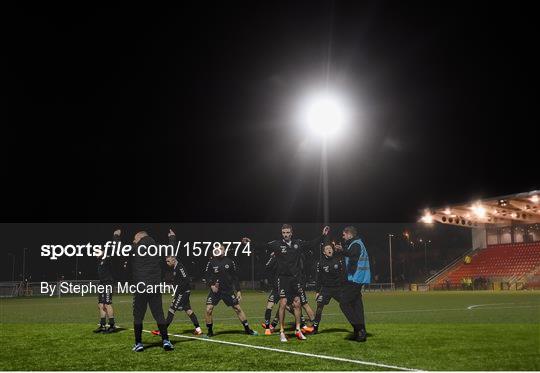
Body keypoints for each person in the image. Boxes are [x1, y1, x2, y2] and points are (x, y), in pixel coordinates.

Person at [244, 224, 329, 342]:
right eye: (284, 232)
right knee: (283, 303)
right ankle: (282, 332)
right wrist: (250, 242)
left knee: (297, 303)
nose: (286, 235)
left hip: (296, 279)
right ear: (282, 233)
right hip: (283, 279)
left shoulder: (298, 244)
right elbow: (263, 246)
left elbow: (311, 243)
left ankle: (298, 330)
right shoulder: (277, 244)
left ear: (291, 233)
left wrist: (323, 236)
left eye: (288, 232)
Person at [128, 230, 173, 352]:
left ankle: (138, 343)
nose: (133, 241)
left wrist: (115, 236)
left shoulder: (135, 248)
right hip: (155, 287)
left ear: (140, 237)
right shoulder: (158, 248)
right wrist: (172, 237)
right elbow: (171, 250)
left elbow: (116, 248)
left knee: (138, 316)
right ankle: (166, 341)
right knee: (159, 315)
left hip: (141, 288)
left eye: (135, 239)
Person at [151, 229, 203, 336]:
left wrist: (178, 290)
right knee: (188, 310)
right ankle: (198, 329)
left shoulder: (180, 267)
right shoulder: (175, 267)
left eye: (168, 261)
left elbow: (186, 280)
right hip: (182, 292)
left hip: (183, 292)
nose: (167, 263)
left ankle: (162, 331)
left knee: (171, 309)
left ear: (173, 260)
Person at [204, 244, 257, 337]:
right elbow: (207, 276)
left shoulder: (230, 262)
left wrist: (239, 291)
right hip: (215, 291)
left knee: (238, 309)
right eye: (217, 249)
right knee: (208, 310)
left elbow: (235, 277)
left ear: (224, 251)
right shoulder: (211, 262)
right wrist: (211, 285)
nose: (219, 250)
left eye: (221, 248)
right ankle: (209, 332)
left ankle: (248, 329)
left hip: (227, 291)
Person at [334, 226, 370, 342]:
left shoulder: (355, 244)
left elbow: (352, 255)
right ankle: (360, 331)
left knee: (343, 303)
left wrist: (341, 250)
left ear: (349, 234)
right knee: (357, 306)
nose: (343, 237)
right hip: (357, 279)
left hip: (355, 279)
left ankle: (359, 329)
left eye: (344, 235)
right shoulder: (356, 243)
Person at [313, 242, 343, 334]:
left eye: (330, 248)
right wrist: (317, 291)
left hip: (337, 289)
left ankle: (356, 326)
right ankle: (315, 328)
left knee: (347, 304)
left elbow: (343, 275)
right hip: (325, 289)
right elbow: (318, 278)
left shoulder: (338, 261)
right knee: (319, 307)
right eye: (327, 249)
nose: (329, 250)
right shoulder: (320, 263)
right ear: (324, 252)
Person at [93, 229, 119, 333]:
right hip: (102, 284)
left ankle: (112, 325)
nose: (95, 254)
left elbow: (113, 253)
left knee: (107, 304)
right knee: (100, 304)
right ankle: (103, 325)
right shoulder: (99, 262)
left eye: (97, 252)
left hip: (108, 283)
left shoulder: (107, 259)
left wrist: (115, 237)